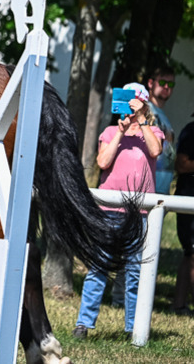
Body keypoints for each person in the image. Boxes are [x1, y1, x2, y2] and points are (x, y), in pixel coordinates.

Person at [73, 82, 162, 340]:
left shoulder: (153, 131)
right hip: (109, 210)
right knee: (98, 268)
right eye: (127, 102)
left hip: (140, 214)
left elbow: (156, 151)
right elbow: (102, 162)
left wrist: (142, 122)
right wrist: (121, 133)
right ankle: (84, 324)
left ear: (143, 104)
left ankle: (132, 327)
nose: (130, 107)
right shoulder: (110, 131)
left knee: (135, 272)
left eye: (135, 102)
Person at [171, 115, 194, 314]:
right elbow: (182, 164)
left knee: (189, 255)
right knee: (192, 253)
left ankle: (179, 304)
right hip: (188, 200)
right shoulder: (191, 131)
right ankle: (179, 305)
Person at [146, 65, 176, 194]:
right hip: (146, 186)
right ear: (150, 83)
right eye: (162, 82)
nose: (166, 87)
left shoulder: (164, 117)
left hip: (162, 187)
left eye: (170, 84)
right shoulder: (144, 109)